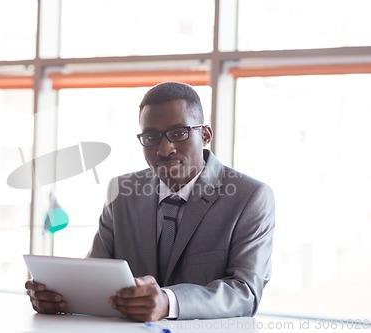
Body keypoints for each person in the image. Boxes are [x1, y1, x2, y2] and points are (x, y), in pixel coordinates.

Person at [25, 81, 275, 322]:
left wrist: (169, 302)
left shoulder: (249, 197)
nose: (165, 149)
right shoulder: (122, 192)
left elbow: (245, 293)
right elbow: (96, 274)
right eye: (151, 137)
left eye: (179, 133)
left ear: (206, 135)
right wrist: (60, 298)